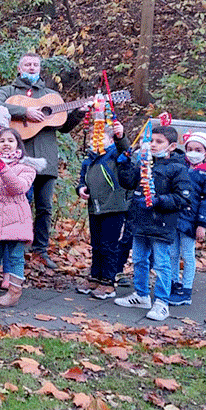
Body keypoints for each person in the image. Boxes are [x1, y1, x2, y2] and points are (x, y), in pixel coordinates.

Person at [0, 53, 86, 269]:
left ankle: (40, 250)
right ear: (19, 67)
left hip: (46, 160)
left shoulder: (52, 96)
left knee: (45, 207)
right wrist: (25, 112)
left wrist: (78, 114)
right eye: (28, 64)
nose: (32, 67)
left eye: (35, 64)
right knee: (19, 205)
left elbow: (64, 126)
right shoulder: (9, 91)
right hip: (18, 160)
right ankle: (17, 248)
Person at [114, 124, 192, 322]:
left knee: (162, 264)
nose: (153, 145)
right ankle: (141, 295)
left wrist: (158, 201)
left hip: (162, 224)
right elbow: (128, 183)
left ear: (171, 146)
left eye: (159, 142)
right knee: (139, 259)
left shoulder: (178, 168)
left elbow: (183, 198)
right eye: (150, 141)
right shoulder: (145, 163)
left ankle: (162, 302)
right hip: (140, 220)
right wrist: (124, 165)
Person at [0, 128, 42, 307]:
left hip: (15, 217)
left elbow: (18, 188)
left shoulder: (26, 167)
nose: (6, 144)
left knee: (15, 256)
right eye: (2, 141)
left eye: (10, 141)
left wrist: (2, 168)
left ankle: (14, 292)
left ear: (18, 144)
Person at [75, 119, 137, 299]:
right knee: (96, 244)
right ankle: (95, 277)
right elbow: (82, 180)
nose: (95, 140)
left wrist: (120, 136)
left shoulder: (114, 155)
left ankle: (108, 282)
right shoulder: (89, 160)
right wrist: (81, 188)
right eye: (93, 137)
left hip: (113, 207)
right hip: (95, 207)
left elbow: (125, 150)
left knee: (109, 245)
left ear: (110, 140)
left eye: (100, 137)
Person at [170, 131, 206, 306]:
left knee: (187, 255)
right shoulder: (180, 168)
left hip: (191, 221)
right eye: (190, 149)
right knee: (172, 253)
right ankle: (173, 284)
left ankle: (186, 290)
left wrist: (202, 224)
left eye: (198, 150)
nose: (193, 153)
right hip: (174, 218)